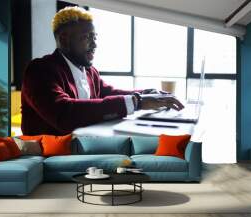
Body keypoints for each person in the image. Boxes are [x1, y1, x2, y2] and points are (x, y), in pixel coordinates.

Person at [21, 6, 184, 135]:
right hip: (49, 157)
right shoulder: (39, 70)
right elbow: (65, 114)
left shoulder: (90, 72)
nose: (95, 44)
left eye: (95, 37)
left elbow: (108, 93)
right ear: (64, 39)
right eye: (87, 37)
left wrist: (147, 93)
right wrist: (137, 102)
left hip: (82, 148)